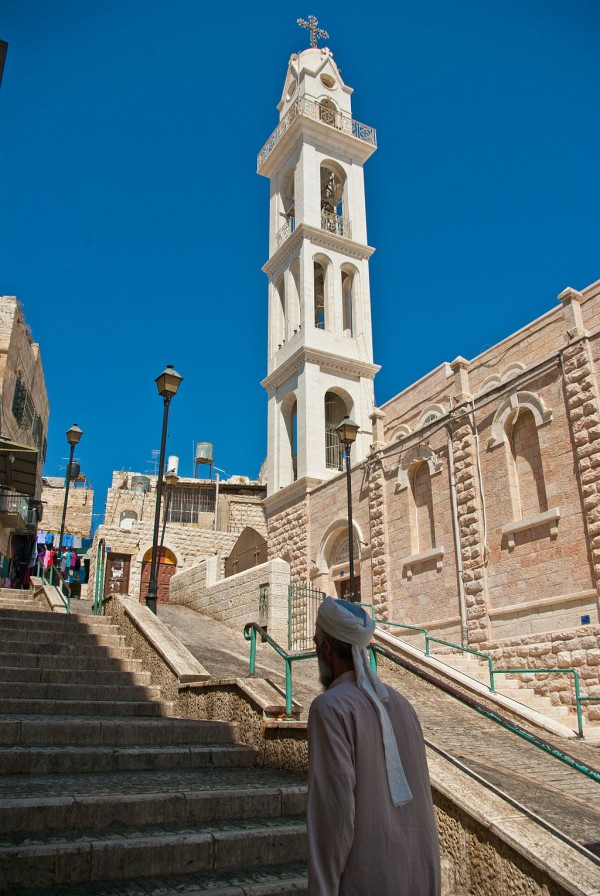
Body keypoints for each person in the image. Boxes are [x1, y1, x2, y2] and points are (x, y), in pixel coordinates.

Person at [307, 596, 441, 896]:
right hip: (419, 877)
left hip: (366, 879)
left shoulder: (329, 709)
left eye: (316, 642)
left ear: (326, 648)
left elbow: (334, 811)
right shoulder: (403, 705)